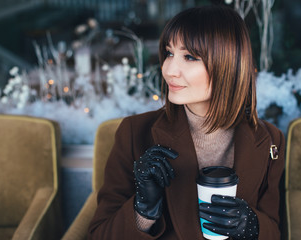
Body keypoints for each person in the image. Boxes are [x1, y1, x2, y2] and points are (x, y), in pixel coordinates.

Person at [88, 5, 285, 240]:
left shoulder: (270, 140)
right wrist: (143, 210)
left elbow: (274, 228)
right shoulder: (134, 132)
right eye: (169, 53)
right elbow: (99, 235)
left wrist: (252, 227)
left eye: (189, 57)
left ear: (228, 65)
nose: (169, 70)